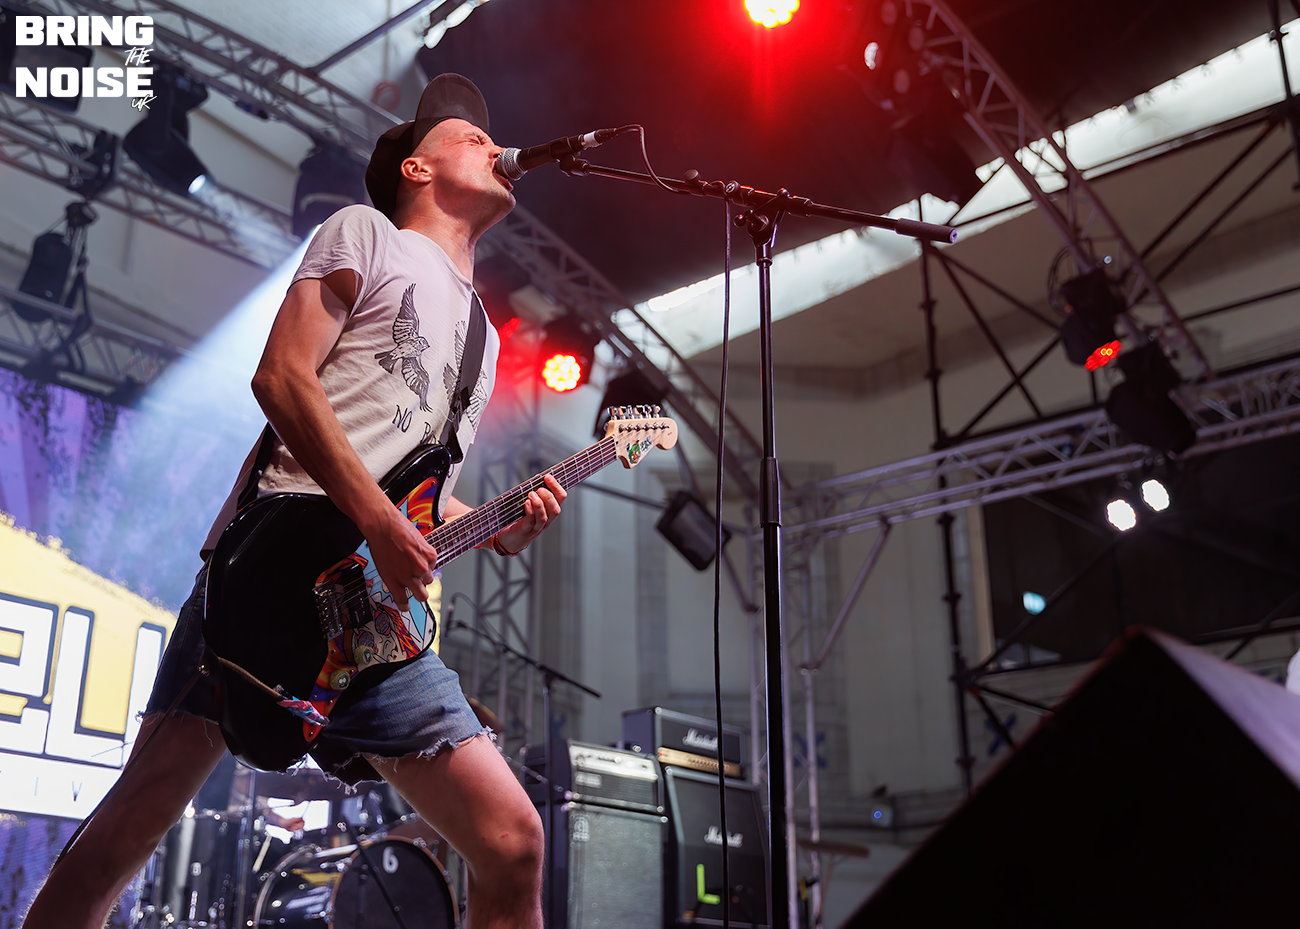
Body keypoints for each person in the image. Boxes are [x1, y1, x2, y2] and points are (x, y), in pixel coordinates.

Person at [24, 73, 560, 929]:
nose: (494, 149)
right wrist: (380, 520)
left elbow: (416, 498)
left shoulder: (485, 341)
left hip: (370, 615)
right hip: (271, 572)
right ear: (417, 168)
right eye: (470, 137)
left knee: (514, 842)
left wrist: (495, 526)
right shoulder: (365, 234)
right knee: (124, 832)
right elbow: (280, 377)